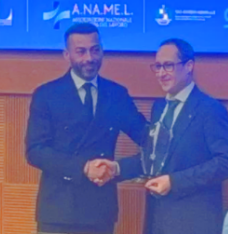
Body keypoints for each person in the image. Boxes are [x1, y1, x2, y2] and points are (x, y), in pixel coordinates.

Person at [89, 39, 228, 234]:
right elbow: (154, 158)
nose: (161, 73)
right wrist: (117, 168)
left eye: (168, 66)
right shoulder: (159, 107)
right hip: (158, 220)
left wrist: (174, 182)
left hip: (194, 222)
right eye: (158, 66)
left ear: (189, 66)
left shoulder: (210, 110)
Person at [25, 23, 149, 234]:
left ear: (102, 51)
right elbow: (35, 151)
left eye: (95, 50)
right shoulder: (47, 95)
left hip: (99, 210)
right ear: (67, 55)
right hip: (58, 211)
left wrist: (120, 168)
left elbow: (147, 138)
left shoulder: (116, 94)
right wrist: (83, 167)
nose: (89, 58)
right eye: (81, 51)